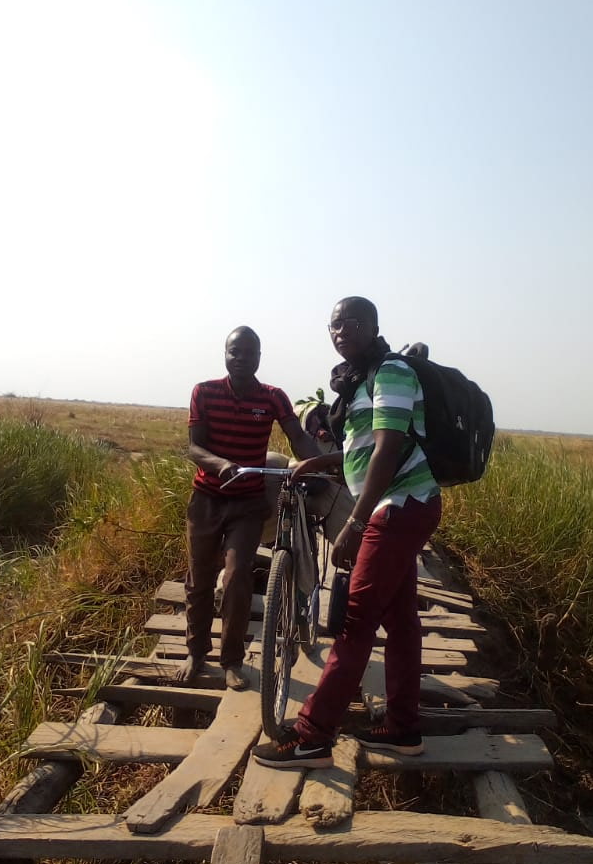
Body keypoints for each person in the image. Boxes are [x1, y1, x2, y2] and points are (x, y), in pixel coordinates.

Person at [252, 297, 442, 767]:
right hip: (396, 506)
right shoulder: (362, 382)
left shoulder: (393, 371)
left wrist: (354, 523)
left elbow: (389, 448)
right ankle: (403, 728)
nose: (338, 333)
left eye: (348, 324)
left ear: (373, 326)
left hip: (399, 507)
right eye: (332, 326)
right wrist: (323, 460)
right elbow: (364, 450)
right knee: (400, 623)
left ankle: (313, 735)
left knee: (355, 620)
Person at [177, 326, 319, 691]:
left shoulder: (272, 397)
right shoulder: (204, 392)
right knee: (199, 580)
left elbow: (298, 437)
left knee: (238, 576)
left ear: (259, 356)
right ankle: (196, 653)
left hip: (248, 502)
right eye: (233, 352)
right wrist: (220, 463)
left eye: (248, 352)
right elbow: (194, 447)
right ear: (225, 355)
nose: (240, 358)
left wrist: (323, 462)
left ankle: (232, 661)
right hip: (208, 498)